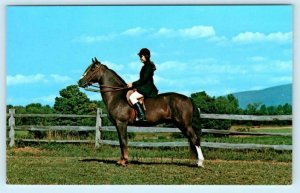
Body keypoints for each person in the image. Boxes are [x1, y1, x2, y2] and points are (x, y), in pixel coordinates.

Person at [127, 48, 158, 121]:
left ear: (146, 56)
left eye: (141, 56)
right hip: (145, 87)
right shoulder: (146, 65)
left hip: (147, 88)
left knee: (132, 97)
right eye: (140, 56)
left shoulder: (148, 66)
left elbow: (144, 79)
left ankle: (141, 115)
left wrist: (133, 84)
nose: (140, 58)